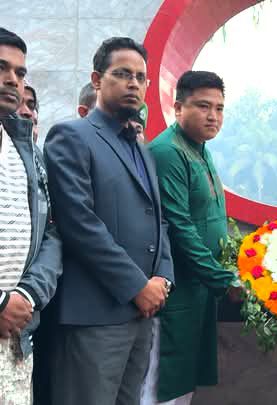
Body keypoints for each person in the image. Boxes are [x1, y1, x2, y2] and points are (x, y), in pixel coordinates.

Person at [44, 37, 174, 405]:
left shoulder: (140, 148)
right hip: (95, 316)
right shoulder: (72, 136)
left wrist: (162, 279)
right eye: (122, 74)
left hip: (142, 315)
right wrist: (137, 286)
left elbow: (159, 221)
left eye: (141, 77)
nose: (133, 83)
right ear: (97, 79)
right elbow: (79, 224)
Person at [142, 70, 243, 405]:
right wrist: (223, 279)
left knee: (183, 388)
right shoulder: (168, 151)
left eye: (219, 108)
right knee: (160, 387)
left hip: (200, 288)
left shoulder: (199, 147)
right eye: (203, 106)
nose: (213, 116)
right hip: (175, 290)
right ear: (178, 108)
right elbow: (179, 226)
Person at [0, 27, 62, 405]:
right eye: (1, 68)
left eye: (20, 72)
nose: (13, 80)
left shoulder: (27, 150)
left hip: (15, 338)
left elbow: (52, 234)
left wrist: (27, 294)